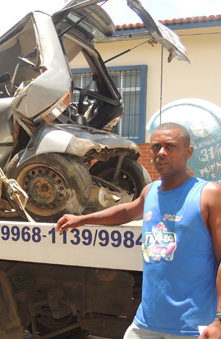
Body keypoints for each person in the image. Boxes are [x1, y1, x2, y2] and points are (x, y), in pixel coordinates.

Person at [56, 122, 221, 338]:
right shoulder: (150, 191)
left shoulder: (208, 194)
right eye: (155, 147)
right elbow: (126, 212)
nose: (161, 153)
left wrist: (219, 319)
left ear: (188, 152)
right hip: (146, 323)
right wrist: (82, 219)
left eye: (170, 146)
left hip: (191, 327)